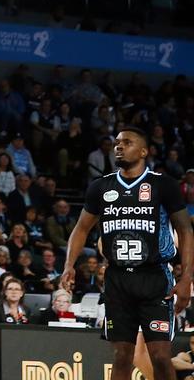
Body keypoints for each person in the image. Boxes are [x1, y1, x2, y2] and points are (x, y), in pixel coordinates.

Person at [63, 126, 193, 380]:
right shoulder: (101, 187)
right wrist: (69, 265)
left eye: (127, 142)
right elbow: (80, 229)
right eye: (117, 143)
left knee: (160, 356)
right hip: (118, 279)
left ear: (144, 151)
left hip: (155, 278)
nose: (119, 146)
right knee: (121, 356)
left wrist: (186, 278)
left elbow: (186, 230)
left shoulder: (162, 184)